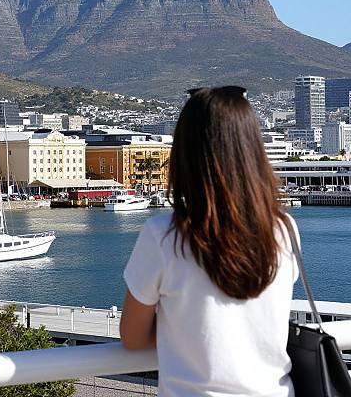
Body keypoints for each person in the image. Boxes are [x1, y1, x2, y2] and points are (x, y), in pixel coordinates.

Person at [120, 86, 299, 397]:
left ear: (186, 153)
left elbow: (133, 338)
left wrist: (182, 328)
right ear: (253, 149)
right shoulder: (284, 231)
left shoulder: (164, 236)